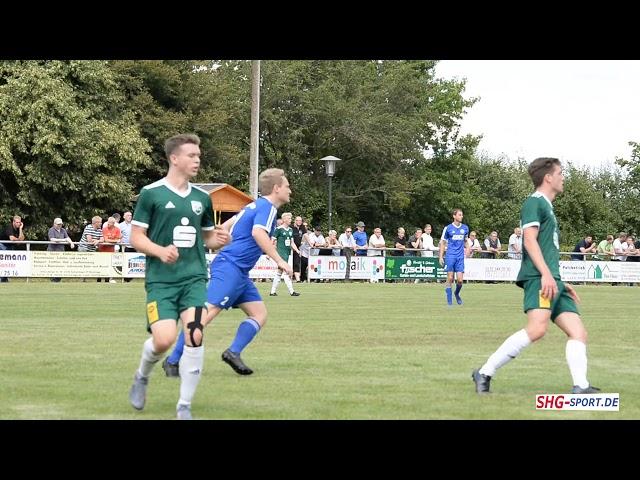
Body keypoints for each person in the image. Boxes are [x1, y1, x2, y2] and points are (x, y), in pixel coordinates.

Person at [472, 157, 600, 395]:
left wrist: (560, 280)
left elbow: (546, 247)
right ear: (548, 177)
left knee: (578, 332)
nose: (563, 177)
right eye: (560, 173)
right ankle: (485, 372)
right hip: (539, 278)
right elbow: (529, 240)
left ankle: (580, 386)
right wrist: (545, 275)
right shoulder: (534, 202)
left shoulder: (547, 206)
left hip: (552, 280)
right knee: (537, 329)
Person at [127, 133, 230, 420]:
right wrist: (159, 251)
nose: (197, 160)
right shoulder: (151, 193)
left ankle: (184, 406)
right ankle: (142, 376)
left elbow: (208, 238)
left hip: (194, 278)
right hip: (160, 280)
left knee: (195, 333)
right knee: (163, 340)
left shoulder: (202, 198)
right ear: (174, 158)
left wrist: (220, 240)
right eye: (191, 155)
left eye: (198, 156)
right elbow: (136, 237)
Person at [163, 168, 293, 379]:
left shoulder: (252, 206)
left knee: (259, 314)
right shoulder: (268, 208)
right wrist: (279, 261)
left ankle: (233, 352)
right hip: (231, 267)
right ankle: (172, 361)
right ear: (276, 188)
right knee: (204, 316)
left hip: (238, 271)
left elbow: (224, 227)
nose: (290, 190)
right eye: (287, 186)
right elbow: (258, 232)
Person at [439, 209, 469, 306]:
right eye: (460, 215)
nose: (461, 216)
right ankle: (449, 302)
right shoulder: (448, 228)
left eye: (462, 215)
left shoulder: (465, 228)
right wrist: (441, 256)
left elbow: (465, 241)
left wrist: (468, 249)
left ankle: (456, 293)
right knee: (450, 278)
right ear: (454, 216)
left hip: (460, 257)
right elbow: (442, 243)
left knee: (460, 280)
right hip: (450, 256)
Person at [269, 212, 301, 297]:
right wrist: (269, 253)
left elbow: (292, 243)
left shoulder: (290, 230)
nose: (291, 220)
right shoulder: (278, 229)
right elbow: (272, 241)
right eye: (289, 218)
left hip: (287, 254)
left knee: (279, 272)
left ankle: (272, 292)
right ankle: (292, 291)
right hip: (281, 254)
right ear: (284, 220)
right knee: (287, 272)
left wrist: (297, 251)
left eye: (291, 218)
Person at [47, 218, 76, 282]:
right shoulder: (51, 230)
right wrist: (63, 240)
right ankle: (53, 280)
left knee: (60, 266)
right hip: (52, 251)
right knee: (53, 266)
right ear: (54, 224)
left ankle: (58, 280)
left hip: (61, 251)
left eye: (60, 224)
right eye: (58, 224)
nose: (59, 225)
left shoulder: (63, 230)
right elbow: (52, 239)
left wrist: (71, 243)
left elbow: (67, 238)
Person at [0, 215, 25, 282]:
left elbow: (21, 239)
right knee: (3, 262)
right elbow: (12, 238)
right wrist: (18, 240)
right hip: (2, 245)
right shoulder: (9, 227)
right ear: (13, 222)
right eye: (17, 222)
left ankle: (4, 278)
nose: (18, 224)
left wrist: (20, 229)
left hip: (9, 246)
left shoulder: (18, 229)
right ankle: (2, 279)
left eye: (19, 222)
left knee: (9, 263)